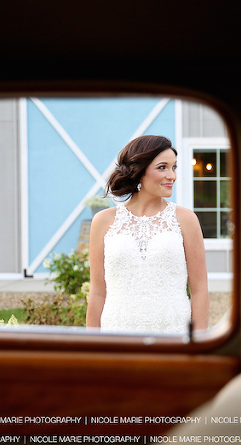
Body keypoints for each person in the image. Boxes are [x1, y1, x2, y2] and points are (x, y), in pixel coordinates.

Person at [86, 135, 210, 334]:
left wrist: (199, 345)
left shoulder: (186, 219)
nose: (172, 176)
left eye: (174, 167)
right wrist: (91, 345)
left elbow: (199, 290)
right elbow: (98, 292)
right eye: (162, 167)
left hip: (173, 334)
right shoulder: (103, 221)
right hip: (117, 333)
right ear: (139, 171)